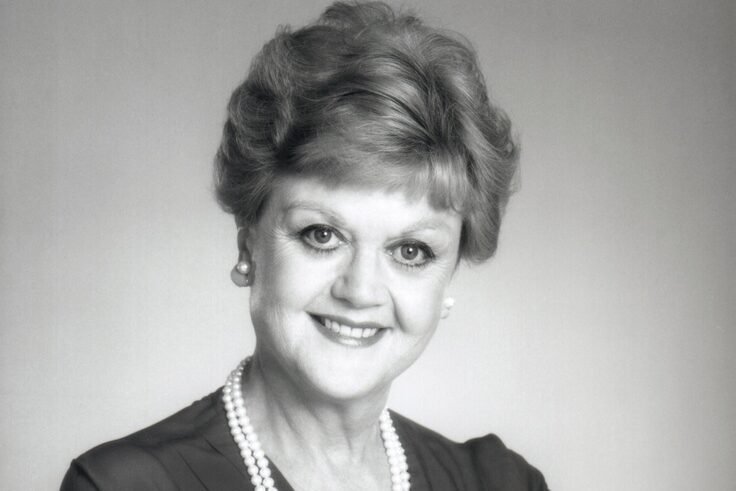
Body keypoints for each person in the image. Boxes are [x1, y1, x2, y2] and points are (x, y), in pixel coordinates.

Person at [61, 2, 549, 490]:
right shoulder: (123, 485)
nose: (360, 291)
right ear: (249, 246)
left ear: (448, 278)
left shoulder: (502, 483)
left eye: (410, 251)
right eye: (322, 235)